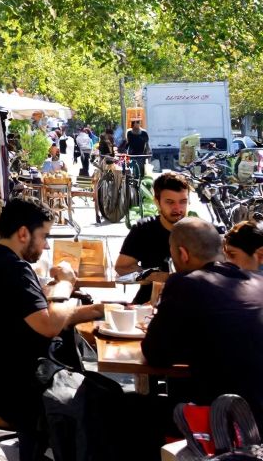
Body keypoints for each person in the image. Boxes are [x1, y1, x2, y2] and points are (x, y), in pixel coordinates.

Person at [0, 198, 104, 458]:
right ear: (24, 233)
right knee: (101, 399)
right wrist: (65, 284)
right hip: (12, 391)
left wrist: (99, 311)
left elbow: (46, 317)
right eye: (44, 236)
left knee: (95, 392)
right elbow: (49, 326)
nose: (46, 245)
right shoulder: (13, 268)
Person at [143, 218, 263, 424]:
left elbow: (156, 355)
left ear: (183, 254)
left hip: (222, 419)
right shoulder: (258, 282)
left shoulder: (185, 283)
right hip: (254, 411)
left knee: (121, 405)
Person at [116, 171, 191, 303]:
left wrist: (171, 278)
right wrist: (151, 275)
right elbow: (122, 267)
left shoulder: (199, 231)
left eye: (183, 202)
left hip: (190, 304)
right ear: (157, 202)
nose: (177, 208)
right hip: (148, 301)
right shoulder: (144, 229)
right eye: (170, 202)